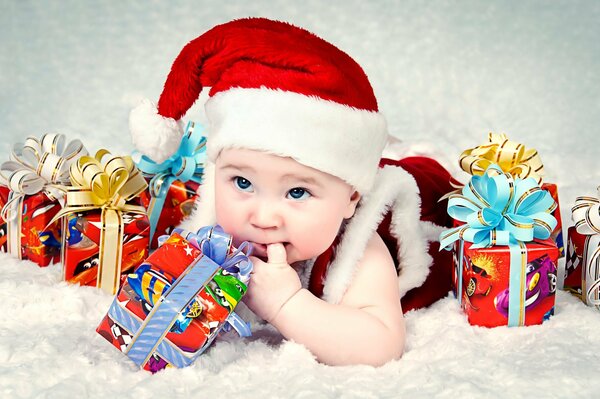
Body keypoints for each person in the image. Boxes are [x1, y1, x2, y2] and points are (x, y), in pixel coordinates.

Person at [130, 18, 456, 366]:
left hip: (429, 199)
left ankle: (414, 156)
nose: (264, 217)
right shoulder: (214, 229)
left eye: (298, 192)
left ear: (350, 200)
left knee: (429, 176)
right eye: (242, 183)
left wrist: (286, 304)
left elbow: (381, 345)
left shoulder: (358, 245)